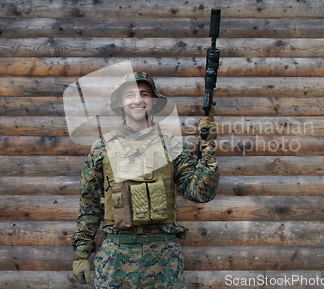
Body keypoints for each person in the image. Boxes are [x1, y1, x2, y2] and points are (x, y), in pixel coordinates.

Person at [72, 71, 219, 289]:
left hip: (164, 259)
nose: (138, 100)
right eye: (130, 95)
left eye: (144, 94)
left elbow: (200, 192)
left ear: (153, 102)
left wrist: (208, 148)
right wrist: (81, 254)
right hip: (116, 258)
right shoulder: (102, 148)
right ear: (121, 103)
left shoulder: (172, 145)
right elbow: (90, 205)